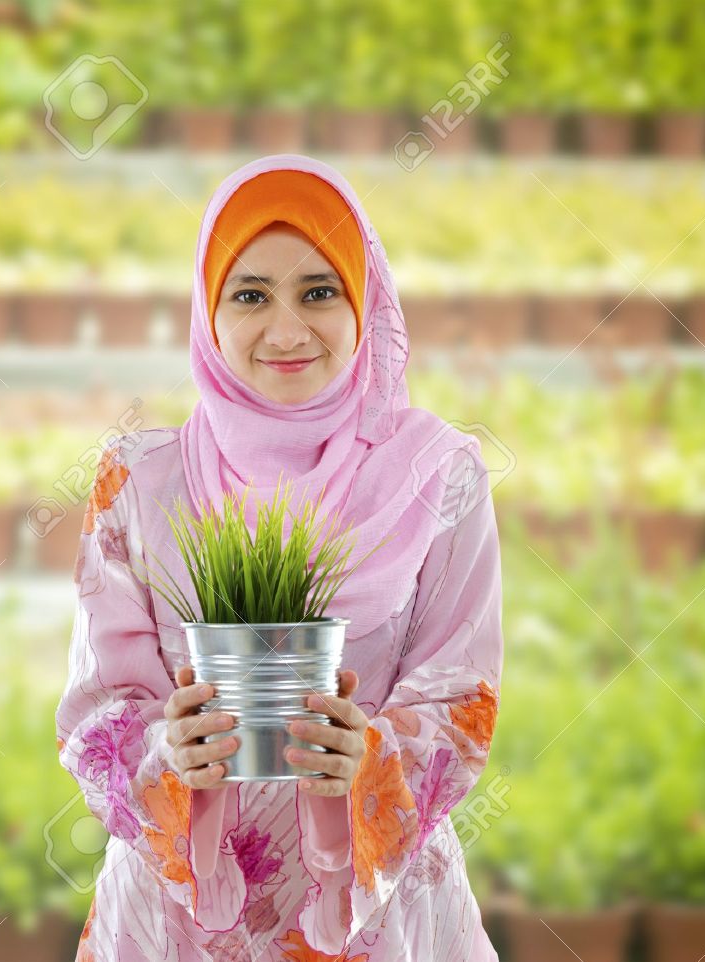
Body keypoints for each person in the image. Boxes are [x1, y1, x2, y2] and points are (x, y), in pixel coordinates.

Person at [56, 154, 504, 961]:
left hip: (377, 918)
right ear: (208, 308)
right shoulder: (137, 480)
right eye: (251, 294)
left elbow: (462, 698)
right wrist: (170, 751)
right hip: (178, 923)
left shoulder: (439, 474)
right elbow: (95, 716)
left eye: (320, 291)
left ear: (365, 300)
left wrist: (365, 755)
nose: (288, 330)